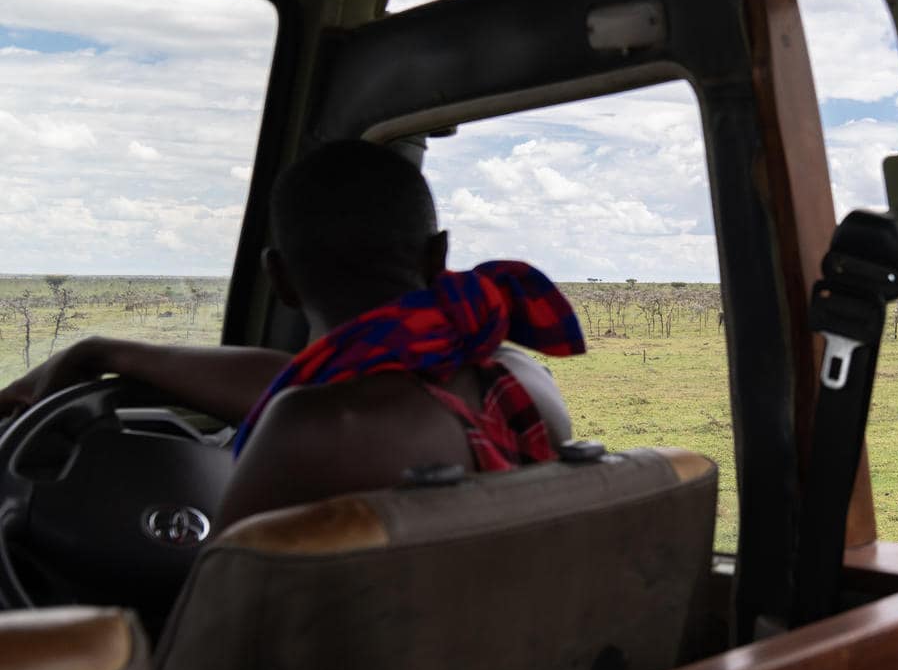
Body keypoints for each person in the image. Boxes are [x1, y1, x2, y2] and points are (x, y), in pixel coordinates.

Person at [0, 140, 582, 527]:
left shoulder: (309, 432)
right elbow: (320, 384)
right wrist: (105, 351)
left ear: (278, 278)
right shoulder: (522, 380)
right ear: (438, 256)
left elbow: (210, 639)